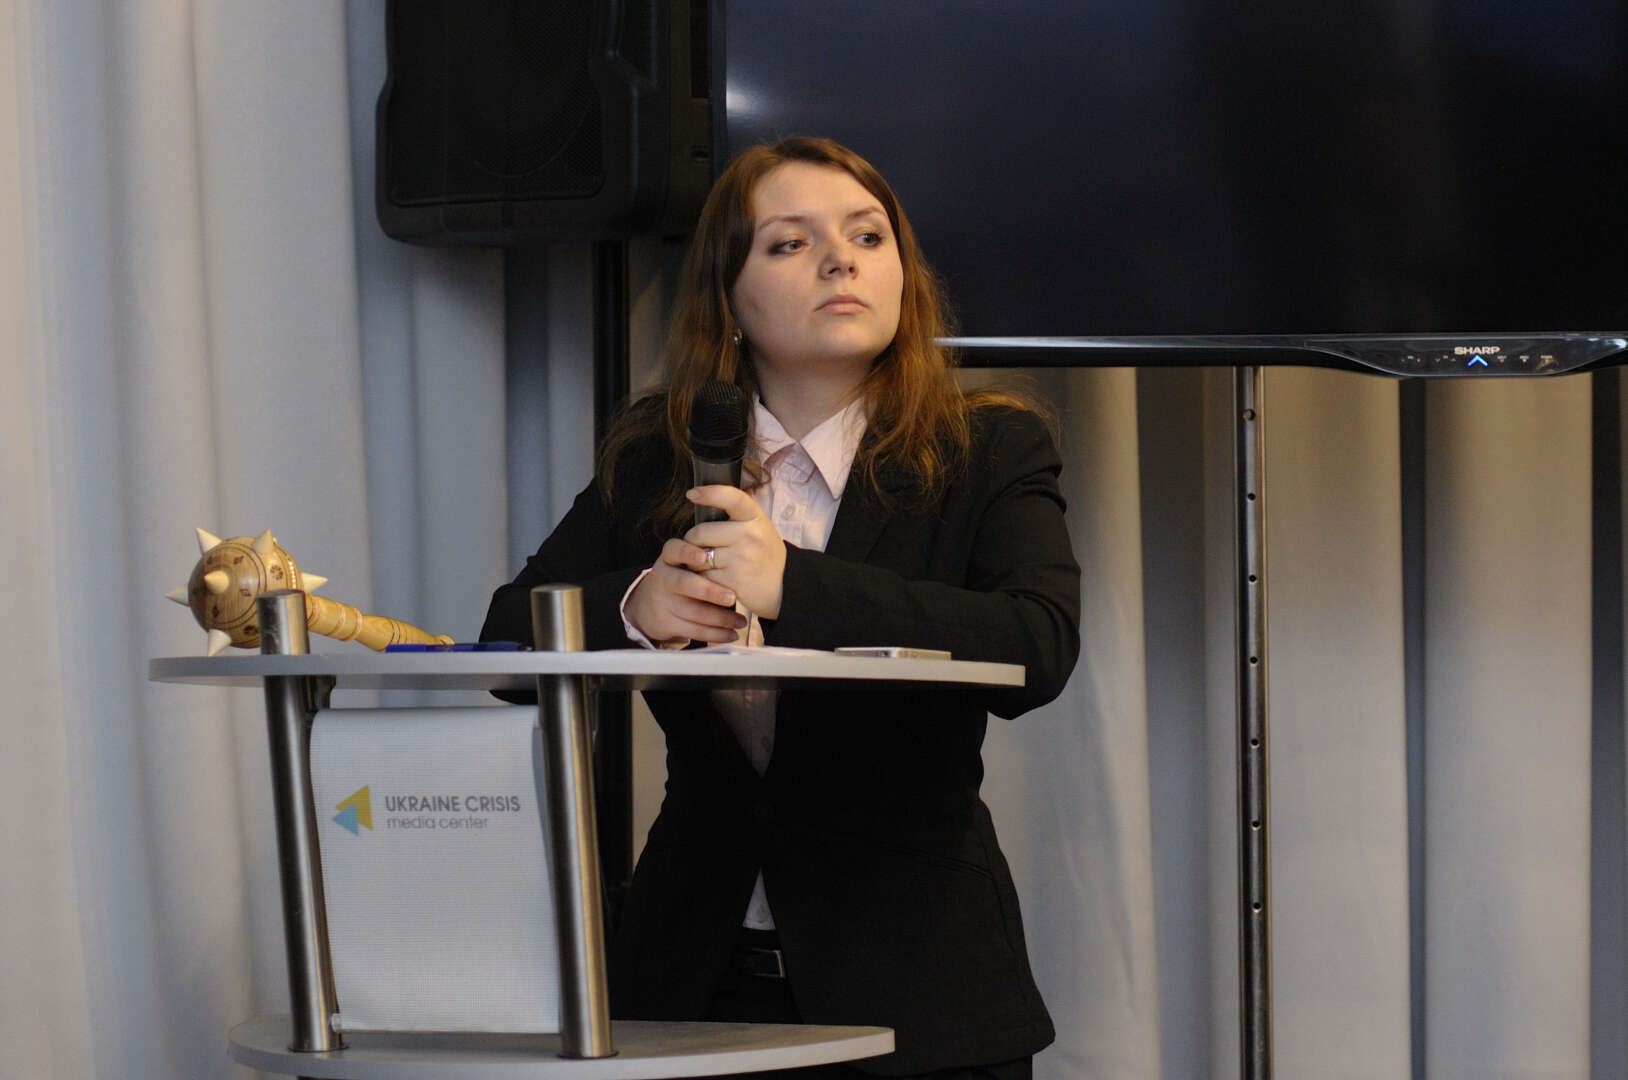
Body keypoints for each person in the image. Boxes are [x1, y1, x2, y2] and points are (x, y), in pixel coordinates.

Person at [481, 136, 1080, 1080]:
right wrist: (637, 605)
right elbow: (506, 642)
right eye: (790, 243)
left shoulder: (990, 447)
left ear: (904, 278)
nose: (841, 261)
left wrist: (795, 585)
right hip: (691, 979)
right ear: (728, 299)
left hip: (921, 984)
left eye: (868, 237)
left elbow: (1037, 645)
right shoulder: (656, 455)